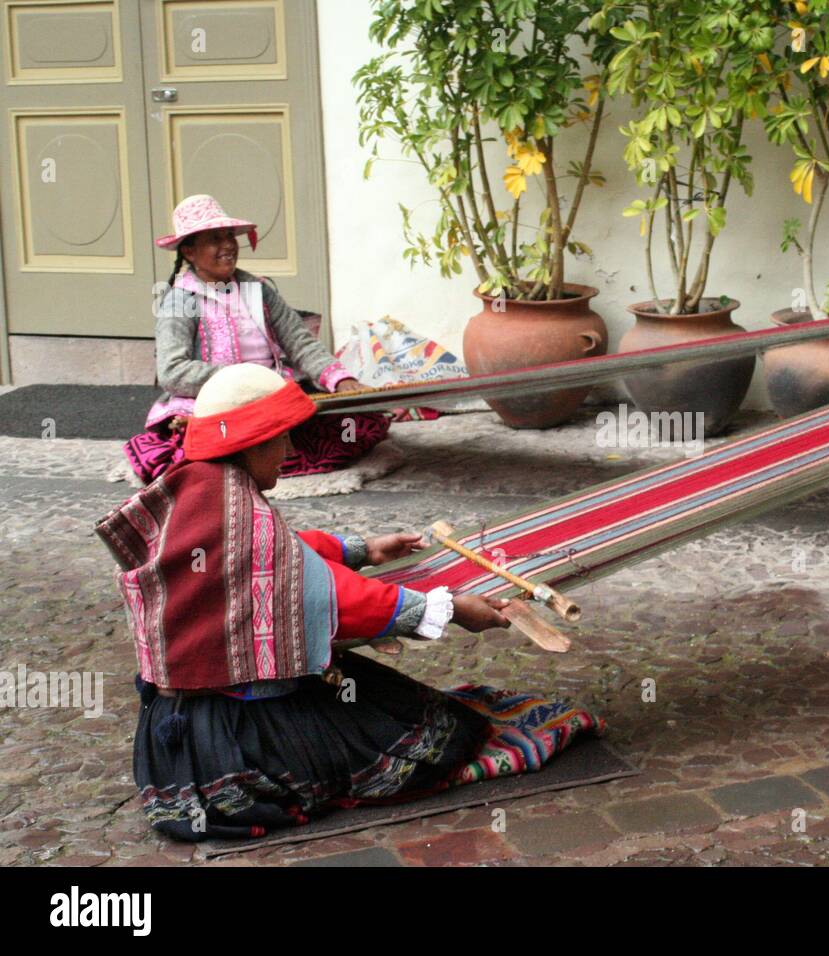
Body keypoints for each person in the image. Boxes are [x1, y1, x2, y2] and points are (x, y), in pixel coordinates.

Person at [98, 364, 601, 842]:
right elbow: (332, 597)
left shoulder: (205, 488)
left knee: (392, 702)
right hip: (234, 742)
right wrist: (443, 608)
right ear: (252, 443)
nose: (290, 448)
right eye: (281, 437)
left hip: (176, 731)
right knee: (436, 740)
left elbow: (283, 557)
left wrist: (360, 549)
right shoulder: (238, 514)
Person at [124, 194, 390, 482]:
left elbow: (300, 342)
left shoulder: (258, 289)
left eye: (229, 236)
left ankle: (266, 442)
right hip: (217, 403)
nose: (227, 245)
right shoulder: (180, 301)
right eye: (214, 239)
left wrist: (339, 380)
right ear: (189, 252)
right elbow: (172, 371)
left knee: (355, 424)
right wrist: (241, 384)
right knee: (217, 436)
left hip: (273, 394)